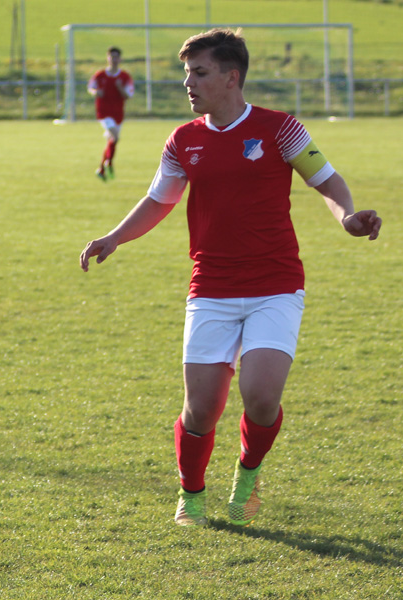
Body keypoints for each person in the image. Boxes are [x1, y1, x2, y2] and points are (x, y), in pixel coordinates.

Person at [79, 29, 380, 527]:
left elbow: (325, 179)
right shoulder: (183, 140)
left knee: (261, 398)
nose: (188, 83)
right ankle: (192, 494)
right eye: (187, 73)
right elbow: (158, 200)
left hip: (275, 284)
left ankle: (247, 474)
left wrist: (347, 215)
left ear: (231, 77)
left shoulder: (280, 128)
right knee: (200, 409)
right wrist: (114, 237)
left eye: (199, 73)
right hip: (212, 287)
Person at [87, 46, 134, 182]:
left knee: (112, 141)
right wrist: (96, 92)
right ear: (107, 58)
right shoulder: (100, 75)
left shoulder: (124, 77)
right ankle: (109, 163)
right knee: (115, 136)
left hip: (118, 113)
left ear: (120, 59)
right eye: (111, 56)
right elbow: (91, 87)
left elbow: (128, 95)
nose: (113, 59)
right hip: (104, 113)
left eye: (116, 57)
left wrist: (120, 88)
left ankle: (101, 168)